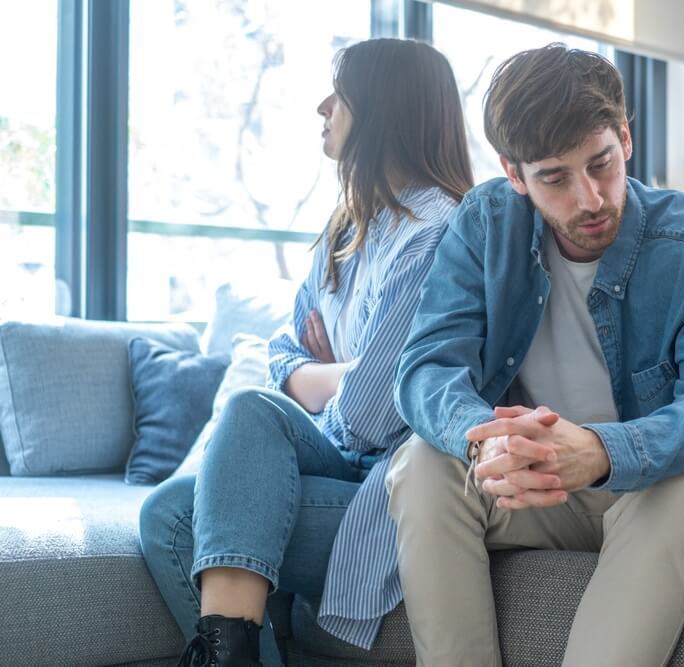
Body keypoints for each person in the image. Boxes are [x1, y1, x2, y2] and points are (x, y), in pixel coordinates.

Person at [386, 44, 684, 666]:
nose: (589, 199)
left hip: (666, 488)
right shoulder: (486, 224)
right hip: (547, 489)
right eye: (555, 178)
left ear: (625, 139)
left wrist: (602, 451)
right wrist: (485, 444)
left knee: (679, 491)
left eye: (601, 164)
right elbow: (427, 366)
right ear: (515, 174)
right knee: (421, 462)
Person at [138, 38, 473, 667]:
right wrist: (351, 370)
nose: (322, 107)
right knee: (171, 502)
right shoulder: (348, 227)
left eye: (340, 95)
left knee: (198, 488)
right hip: (335, 460)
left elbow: (371, 419)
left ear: (383, 109)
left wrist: (328, 381)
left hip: (389, 487)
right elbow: (284, 353)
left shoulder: (437, 232)